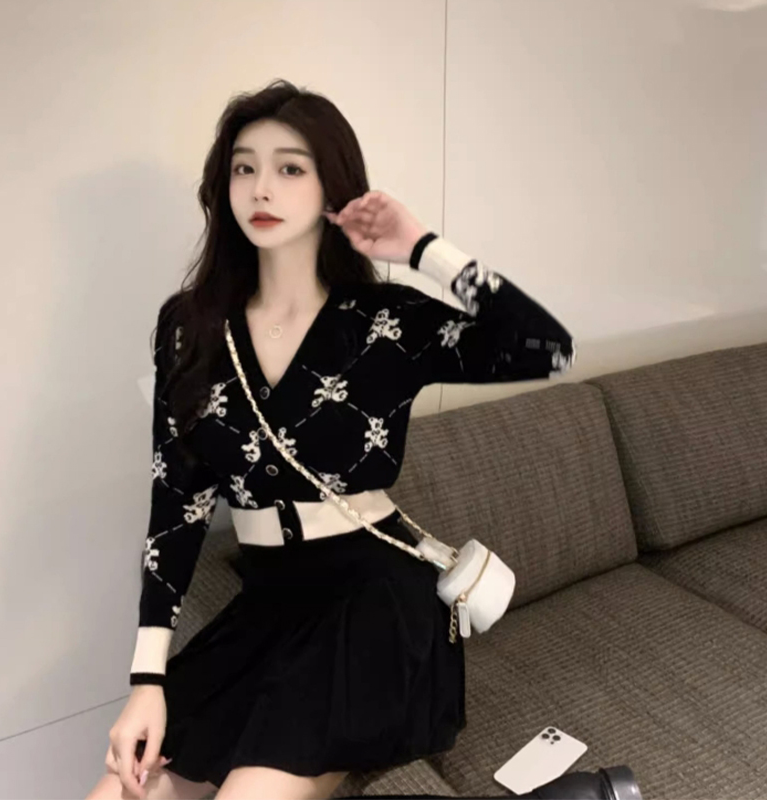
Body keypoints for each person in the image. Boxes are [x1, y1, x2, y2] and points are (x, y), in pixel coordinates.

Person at [86, 78, 576, 800]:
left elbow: (546, 347)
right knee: (116, 793)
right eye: (244, 167)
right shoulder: (189, 327)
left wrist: (424, 249)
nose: (261, 186)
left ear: (332, 191)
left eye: (290, 168)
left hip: (375, 603)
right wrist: (146, 681)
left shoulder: (384, 321)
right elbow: (176, 507)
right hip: (267, 608)